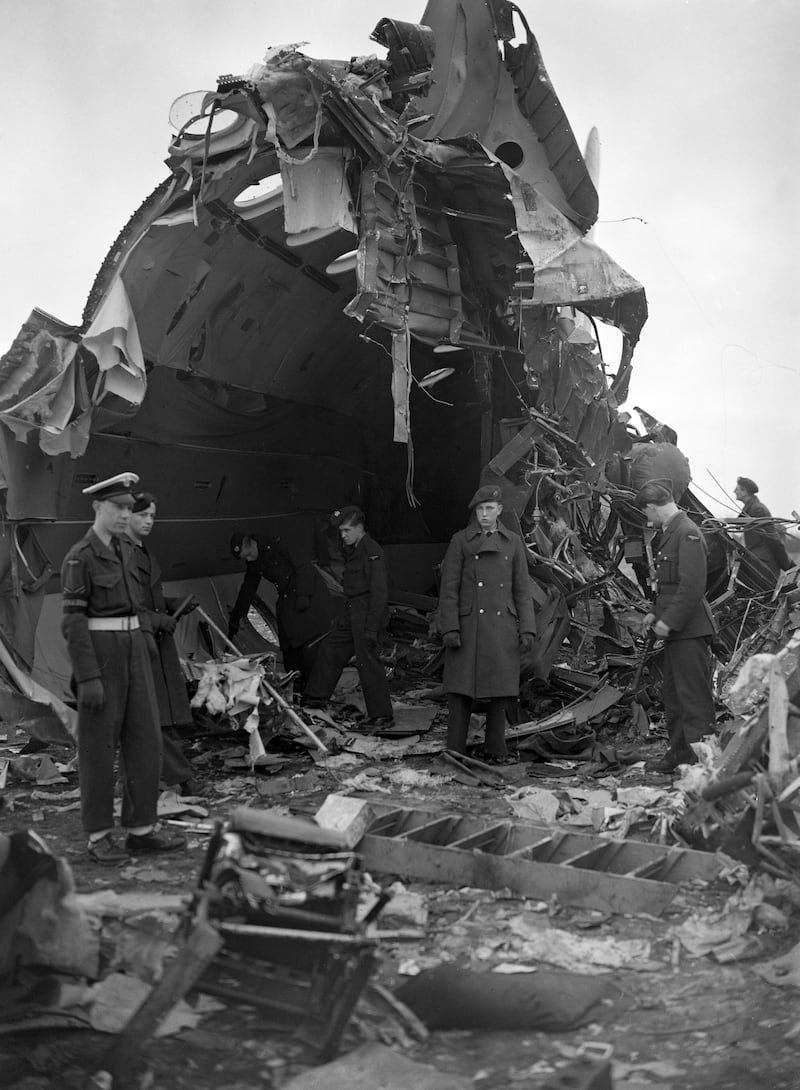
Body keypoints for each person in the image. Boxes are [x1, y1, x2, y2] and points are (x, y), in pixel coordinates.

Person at [61, 473, 185, 864]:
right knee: (98, 748)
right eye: (117, 507)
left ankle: (141, 830)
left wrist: (144, 643)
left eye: (129, 508)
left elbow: (137, 605)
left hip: (134, 650)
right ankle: (99, 836)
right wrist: (88, 676)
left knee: (145, 742)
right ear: (98, 507)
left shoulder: (126, 551)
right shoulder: (81, 557)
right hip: (102, 653)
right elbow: (72, 623)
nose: (124, 514)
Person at [437, 484, 536, 762]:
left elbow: (522, 590)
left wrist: (527, 628)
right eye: (480, 510)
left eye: (489, 509)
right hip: (469, 627)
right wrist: (451, 627)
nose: (484, 514)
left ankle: (496, 749)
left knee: (500, 691)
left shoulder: (512, 542)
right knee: (460, 691)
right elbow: (449, 588)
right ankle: (455, 749)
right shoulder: (461, 541)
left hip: (501, 626)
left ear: (499, 510)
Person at [636, 482, 717, 773]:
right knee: (675, 697)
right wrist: (653, 613)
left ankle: (704, 765)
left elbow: (692, 586)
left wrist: (668, 622)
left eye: (646, 512)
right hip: (678, 631)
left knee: (694, 698)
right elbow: (667, 587)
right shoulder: (672, 531)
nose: (648, 519)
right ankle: (681, 753)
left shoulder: (688, 533)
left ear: (652, 507)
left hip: (689, 630)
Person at [125, 491, 201, 796]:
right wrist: (157, 621)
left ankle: (163, 779)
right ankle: (178, 778)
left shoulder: (141, 551)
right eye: (142, 515)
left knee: (161, 716)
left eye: (152, 516)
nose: (148, 522)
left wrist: (172, 603)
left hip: (155, 643)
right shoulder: (122, 554)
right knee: (152, 717)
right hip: (138, 643)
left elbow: (148, 598)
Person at [302, 506, 394, 726]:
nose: (343, 535)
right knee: (331, 647)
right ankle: (315, 699)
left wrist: (372, 628)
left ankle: (382, 715)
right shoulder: (353, 549)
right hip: (352, 611)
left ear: (360, 528)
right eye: (341, 531)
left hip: (366, 612)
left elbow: (379, 593)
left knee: (368, 662)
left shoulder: (372, 550)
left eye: (346, 530)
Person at [228, 531, 340, 682]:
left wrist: (304, 595)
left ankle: (312, 680)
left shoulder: (278, 544)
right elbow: (248, 588)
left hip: (308, 593)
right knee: (289, 643)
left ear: (253, 543)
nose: (248, 559)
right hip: (287, 597)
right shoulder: (255, 561)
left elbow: (303, 567)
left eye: (248, 554)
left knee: (310, 641)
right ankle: (295, 679)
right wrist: (238, 614)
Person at [734, 477, 792, 578]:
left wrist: (788, 566)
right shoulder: (751, 509)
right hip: (758, 561)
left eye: (737, 489)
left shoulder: (758, 509)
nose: (734, 491)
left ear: (744, 491)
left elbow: (772, 538)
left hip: (764, 564)